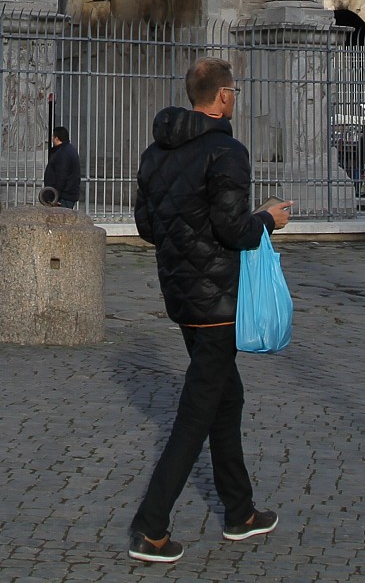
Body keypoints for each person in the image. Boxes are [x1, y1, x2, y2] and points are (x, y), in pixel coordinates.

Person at [127, 58, 291, 563]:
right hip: (220, 300)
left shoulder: (156, 152)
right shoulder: (227, 151)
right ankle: (151, 527)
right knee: (196, 413)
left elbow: (148, 227)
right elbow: (233, 229)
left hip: (183, 297)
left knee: (225, 398)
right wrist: (267, 217)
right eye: (234, 91)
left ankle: (240, 512)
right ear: (222, 96)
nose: (236, 98)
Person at [45, 125, 83, 209]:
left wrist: (55, 196)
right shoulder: (68, 150)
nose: (52, 139)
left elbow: (61, 176)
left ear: (56, 138)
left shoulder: (63, 153)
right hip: (65, 195)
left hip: (64, 197)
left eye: (53, 137)